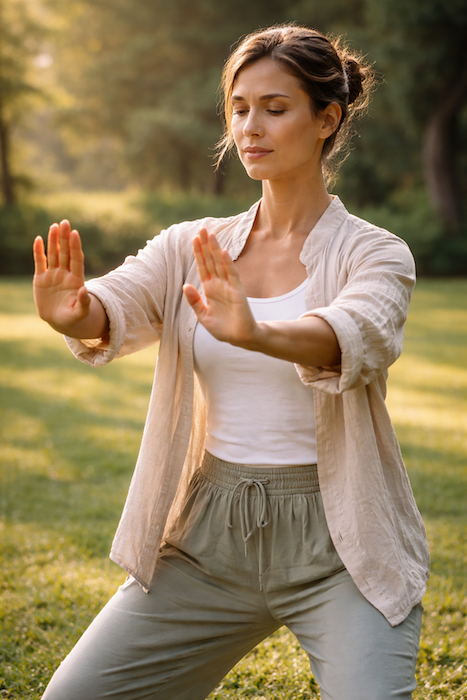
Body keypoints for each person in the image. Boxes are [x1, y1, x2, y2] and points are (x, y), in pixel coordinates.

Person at [33, 24, 430, 700]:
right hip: (205, 543)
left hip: (339, 549)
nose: (251, 125)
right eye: (239, 108)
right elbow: (117, 302)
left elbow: (354, 333)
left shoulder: (374, 252)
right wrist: (79, 311)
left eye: (274, 108)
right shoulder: (192, 244)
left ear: (324, 119)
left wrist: (258, 332)